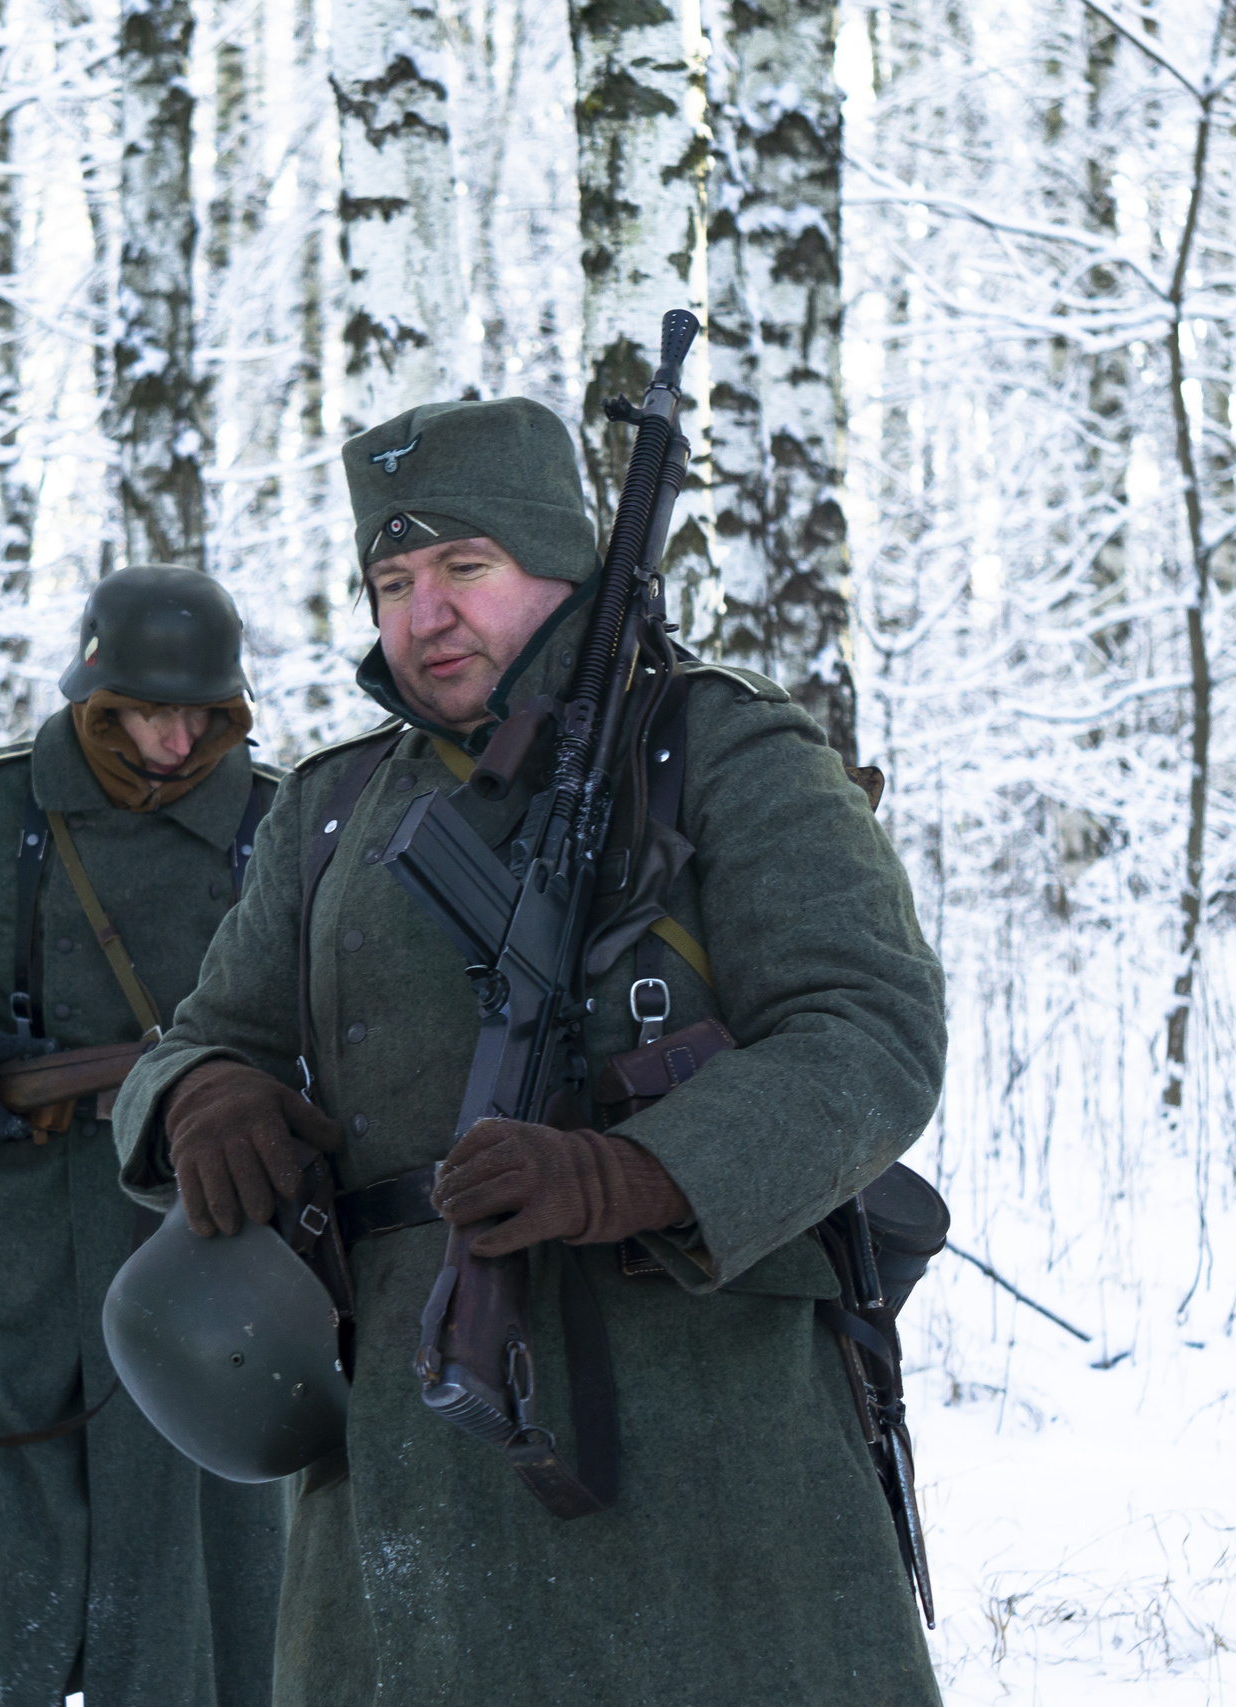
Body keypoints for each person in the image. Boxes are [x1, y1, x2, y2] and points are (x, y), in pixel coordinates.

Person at [110, 399, 951, 1705]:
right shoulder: (327, 811)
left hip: (703, 1434)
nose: (423, 614)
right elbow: (209, 1033)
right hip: (404, 1437)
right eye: (393, 580)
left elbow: (871, 1026)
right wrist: (196, 1096)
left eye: (464, 567)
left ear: (557, 564)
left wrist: (643, 1172)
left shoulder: (722, 748)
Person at [0, 564, 286, 1707]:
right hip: (1, 1253)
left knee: (200, 1591)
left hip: (202, 1237)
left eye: (200, 715)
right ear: (93, 703)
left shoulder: (275, 822)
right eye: (148, 712)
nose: (175, 736)